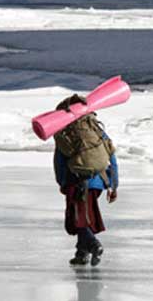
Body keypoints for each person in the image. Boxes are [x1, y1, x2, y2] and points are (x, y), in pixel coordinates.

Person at [52, 95, 119, 267]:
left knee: (79, 220)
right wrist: (114, 185)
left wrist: (62, 183)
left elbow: (60, 161)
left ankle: (93, 245)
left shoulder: (66, 133)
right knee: (84, 215)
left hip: (77, 182)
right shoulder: (95, 128)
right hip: (99, 181)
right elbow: (111, 155)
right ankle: (81, 253)